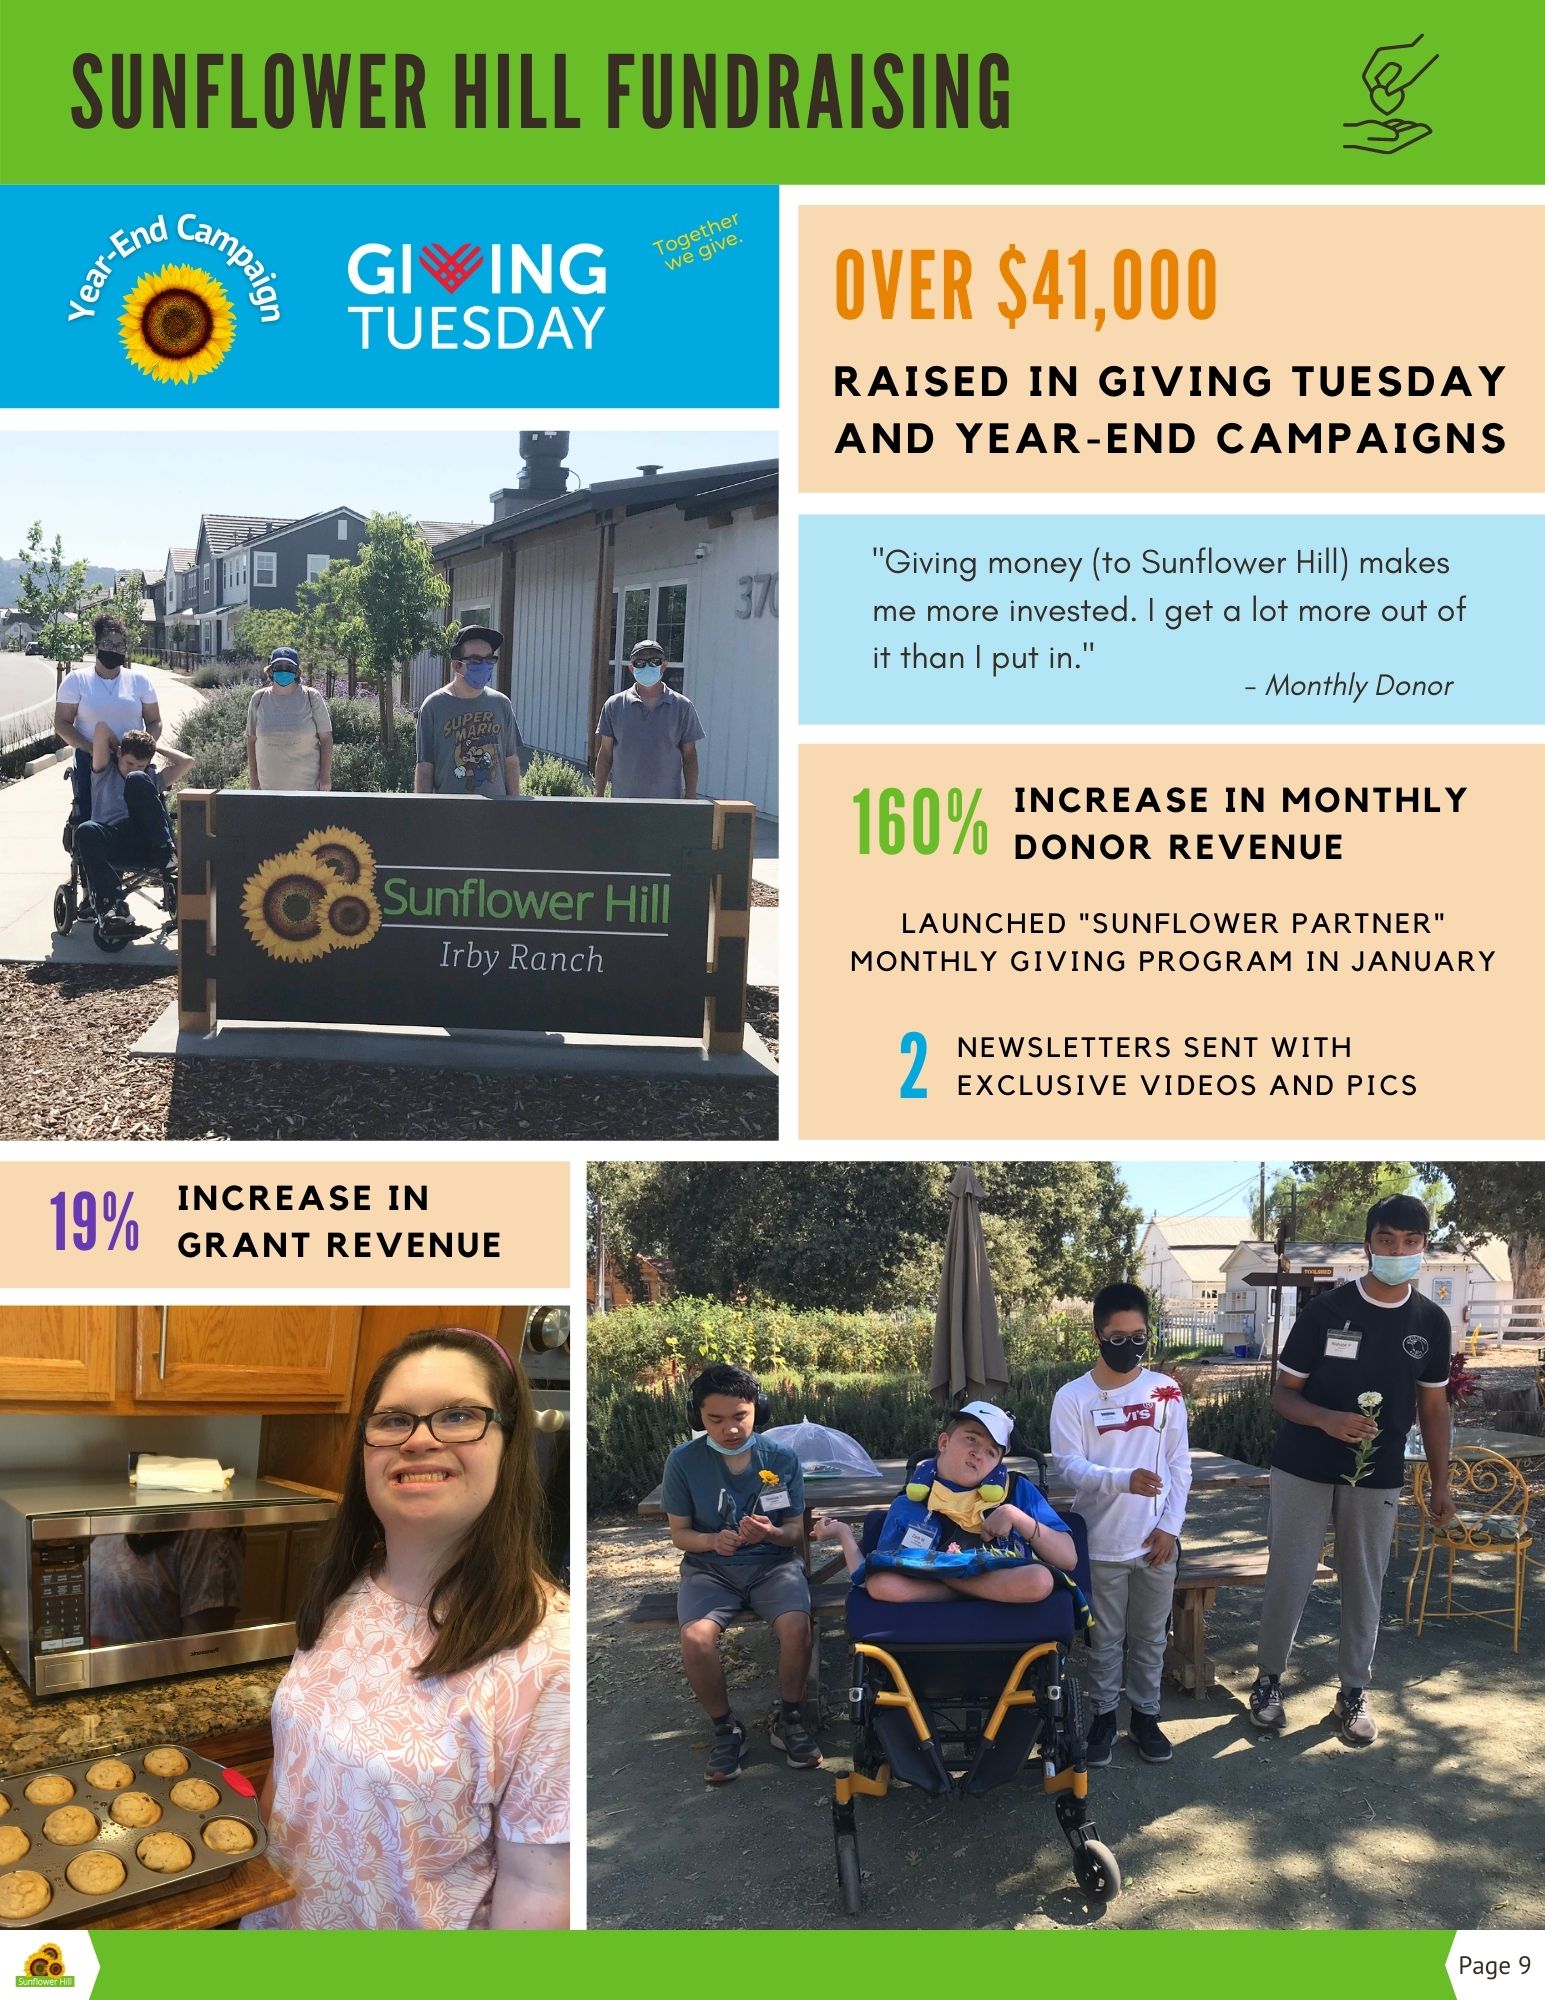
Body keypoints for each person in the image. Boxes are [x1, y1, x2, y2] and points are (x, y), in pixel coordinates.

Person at [243, 1327, 569, 1929]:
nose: (419, 1440)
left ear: (509, 1442)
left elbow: (541, 1894)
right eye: (393, 1420)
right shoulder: (345, 1588)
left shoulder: (550, 1660)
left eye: (457, 1415)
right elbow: (292, 1780)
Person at [1250, 1195, 1456, 1746]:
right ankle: (1269, 1681)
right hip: (1304, 1466)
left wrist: (1440, 1483)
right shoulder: (1326, 1312)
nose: (1398, 1252)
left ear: (1424, 1247)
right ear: (1368, 1243)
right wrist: (1327, 1420)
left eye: (1411, 1243)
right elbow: (1284, 1395)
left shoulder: (1431, 1323)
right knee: (1289, 1574)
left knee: (1364, 1582)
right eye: (1387, 1241)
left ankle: (1353, 1691)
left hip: (1377, 1474)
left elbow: (1435, 1409)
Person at [1049, 1283, 1191, 1767]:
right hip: (1100, 1541)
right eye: (1117, 1336)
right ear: (1096, 1335)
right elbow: (1068, 1465)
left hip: (1156, 1543)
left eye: (1139, 1336)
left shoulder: (1166, 1392)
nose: (1129, 1346)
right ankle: (1105, 1716)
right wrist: (1121, 1481)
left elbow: (1179, 1465)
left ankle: (1146, 1716)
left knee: (1152, 1636)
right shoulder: (1073, 1397)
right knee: (1104, 1638)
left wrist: (1171, 1527)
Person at [661, 1363, 823, 1783]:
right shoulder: (682, 1462)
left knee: (797, 1628)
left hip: (773, 1566)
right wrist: (713, 1542)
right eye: (715, 1420)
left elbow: (793, 1533)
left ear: (759, 1410)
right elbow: (680, 1535)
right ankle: (725, 1729)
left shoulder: (782, 1458)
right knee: (695, 1638)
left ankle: (790, 1719)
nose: (730, 1429)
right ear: (697, 1417)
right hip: (709, 1571)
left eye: (740, 1417)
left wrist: (772, 1531)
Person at [812, 1400, 1077, 1604]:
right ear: (944, 1442)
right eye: (971, 1439)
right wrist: (843, 1533)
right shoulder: (909, 1503)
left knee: (1040, 1580)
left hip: (999, 1592)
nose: (977, 1453)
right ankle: (973, 1591)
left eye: (991, 1452)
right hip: (983, 1601)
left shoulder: (1018, 1490)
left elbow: (1068, 1559)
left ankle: (953, 1583)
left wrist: (1016, 1516)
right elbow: (880, 1570)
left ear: (998, 1463)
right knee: (882, 1583)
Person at [73, 723, 189, 936]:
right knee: (85, 829)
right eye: (129, 762)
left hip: (145, 841)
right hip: (112, 838)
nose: (133, 768)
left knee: (137, 781)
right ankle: (113, 912)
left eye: (141, 765)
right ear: (118, 754)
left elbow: (187, 762)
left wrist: (155, 747)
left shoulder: (148, 778)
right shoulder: (103, 771)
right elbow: (100, 729)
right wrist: (121, 746)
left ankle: (166, 853)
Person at [54, 613, 162, 821]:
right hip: (91, 760)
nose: (114, 649)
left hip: (133, 761)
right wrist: (92, 749)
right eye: (108, 643)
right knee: (91, 815)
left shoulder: (140, 681)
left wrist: (145, 750)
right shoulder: (76, 681)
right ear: (96, 645)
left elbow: (154, 721)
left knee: (142, 816)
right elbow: (62, 723)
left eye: (120, 645)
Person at [414, 625, 522, 797]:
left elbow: (510, 761)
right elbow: (425, 767)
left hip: (495, 813)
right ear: (457, 665)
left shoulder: (502, 704)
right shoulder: (433, 706)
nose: (485, 666)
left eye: (489, 660)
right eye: (476, 660)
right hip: (449, 814)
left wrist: (515, 807)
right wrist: (424, 815)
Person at [593, 638, 705, 800]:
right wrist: (598, 795)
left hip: (667, 806)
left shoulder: (682, 706)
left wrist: (691, 797)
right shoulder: (614, 705)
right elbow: (605, 753)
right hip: (623, 803)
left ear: (664, 666)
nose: (647, 666)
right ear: (631, 668)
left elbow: (689, 756)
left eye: (654, 661)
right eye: (640, 662)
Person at [246, 647, 333, 791]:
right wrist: (254, 781)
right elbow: (251, 740)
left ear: (297, 672)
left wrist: (325, 776)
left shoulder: (311, 697)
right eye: (278, 666)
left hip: (307, 792)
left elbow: (326, 738)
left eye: (289, 667)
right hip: (268, 792)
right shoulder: (258, 699)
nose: (283, 670)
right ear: (271, 671)